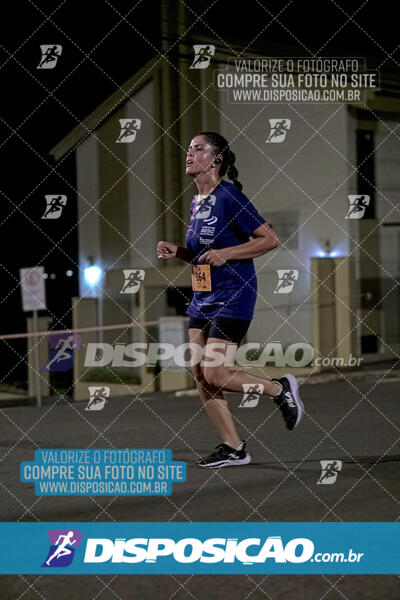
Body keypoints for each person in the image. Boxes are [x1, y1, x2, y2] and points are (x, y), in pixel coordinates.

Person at [157, 132, 304, 468]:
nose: (189, 153)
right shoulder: (198, 202)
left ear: (216, 158)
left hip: (233, 295)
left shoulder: (229, 196)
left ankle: (279, 389)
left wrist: (227, 253)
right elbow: (201, 253)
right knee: (199, 373)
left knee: (216, 374)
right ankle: (234, 448)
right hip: (202, 295)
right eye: (189, 147)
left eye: (198, 148)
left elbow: (269, 239)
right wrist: (179, 251)